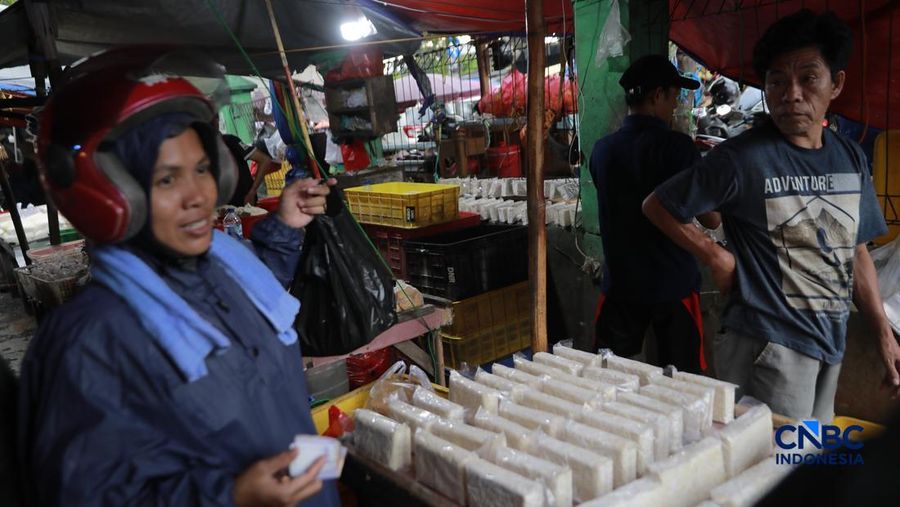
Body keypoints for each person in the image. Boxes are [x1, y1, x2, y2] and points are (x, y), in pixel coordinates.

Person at [17, 49, 339, 506]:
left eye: (203, 169)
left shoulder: (223, 266)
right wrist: (229, 498)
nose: (198, 196)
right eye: (167, 180)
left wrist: (285, 226)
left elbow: (247, 307)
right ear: (109, 191)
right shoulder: (90, 345)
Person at [643, 9, 900, 420]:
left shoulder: (850, 158)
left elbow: (857, 250)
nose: (791, 93)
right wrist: (716, 256)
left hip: (830, 344)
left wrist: (882, 332)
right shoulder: (742, 158)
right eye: (776, 80)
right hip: (768, 345)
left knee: (806, 459)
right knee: (772, 467)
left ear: (836, 84)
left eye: (808, 78)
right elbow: (659, 205)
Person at [590, 54, 719, 373]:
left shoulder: (602, 150)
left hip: (621, 286)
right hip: (672, 286)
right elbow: (711, 218)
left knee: (607, 378)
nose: (675, 105)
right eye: (673, 96)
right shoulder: (678, 148)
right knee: (683, 383)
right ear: (656, 95)